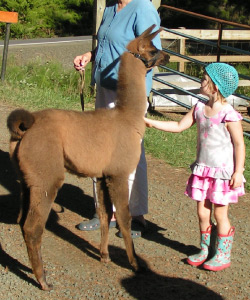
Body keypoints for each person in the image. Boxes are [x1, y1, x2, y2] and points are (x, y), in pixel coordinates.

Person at [144, 63, 245, 271]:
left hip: (222, 174)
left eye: (204, 79)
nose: (201, 81)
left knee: (220, 214)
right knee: (202, 212)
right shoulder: (199, 107)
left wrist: (238, 171)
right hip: (203, 170)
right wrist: (151, 122)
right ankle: (205, 249)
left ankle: (223, 254)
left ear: (215, 87)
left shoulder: (228, 114)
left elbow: (239, 144)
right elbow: (179, 126)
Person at [73, 0, 162, 238]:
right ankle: (104, 210)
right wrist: (89, 56)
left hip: (128, 94)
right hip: (105, 87)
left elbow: (151, 56)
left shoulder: (143, 9)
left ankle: (131, 214)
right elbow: (106, 43)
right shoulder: (111, 7)